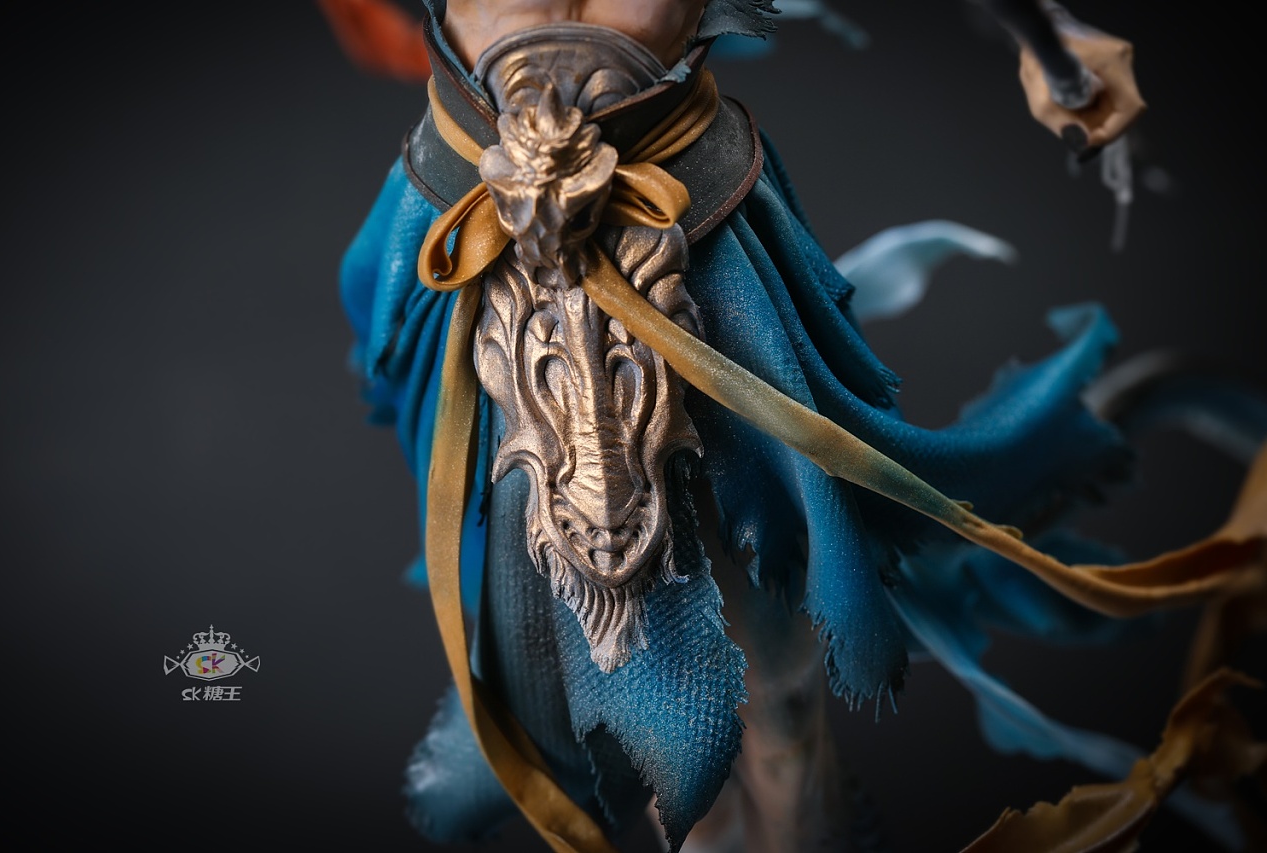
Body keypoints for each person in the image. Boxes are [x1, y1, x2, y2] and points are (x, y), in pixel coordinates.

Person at [335, 2, 1263, 850]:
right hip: (481, 257)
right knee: (577, 673)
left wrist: (1054, 48)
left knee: (778, 691)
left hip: (694, 243)